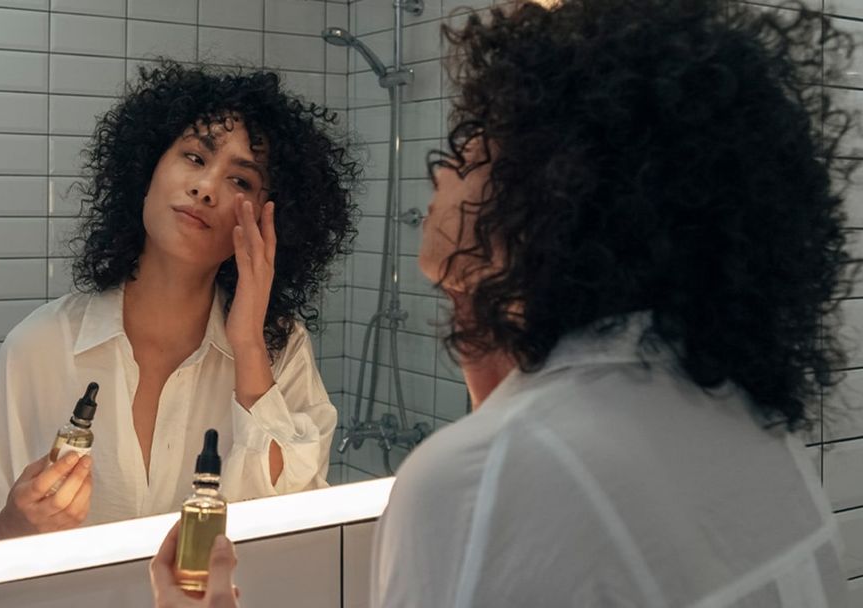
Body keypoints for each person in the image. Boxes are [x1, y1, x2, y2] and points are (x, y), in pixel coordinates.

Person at [150, 0, 857, 605]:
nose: (443, 167)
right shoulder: (747, 421)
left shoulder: (485, 480)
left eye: (476, 148)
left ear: (555, 194)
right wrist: (475, 306)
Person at [0, 62, 359, 545]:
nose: (205, 188)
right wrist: (13, 526)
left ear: (270, 220)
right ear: (147, 167)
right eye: (195, 158)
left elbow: (302, 531)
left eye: (241, 181)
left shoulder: (280, 349)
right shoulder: (40, 345)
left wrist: (247, 347)